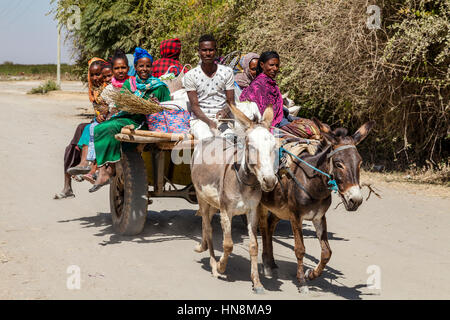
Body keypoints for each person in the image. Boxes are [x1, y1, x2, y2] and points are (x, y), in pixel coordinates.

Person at [89, 48, 171, 192]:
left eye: (147, 66)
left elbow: (167, 108)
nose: (144, 69)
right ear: (136, 67)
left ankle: (107, 171)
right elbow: (120, 105)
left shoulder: (160, 87)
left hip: (147, 123)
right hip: (127, 118)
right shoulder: (129, 84)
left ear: (152, 67)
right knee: (99, 128)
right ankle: (104, 169)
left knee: (110, 127)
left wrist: (156, 105)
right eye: (141, 66)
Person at [54, 58, 106, 199]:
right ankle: (70, 182)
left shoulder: (111, 87)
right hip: (98, 121)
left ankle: (80, 171)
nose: (95, 78)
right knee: (73, 144)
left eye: (98, 74)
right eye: (92, 74)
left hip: (107, 122)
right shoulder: (94, 89)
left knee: (83, 132)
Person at [184, 34, 235, 140]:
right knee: (208, 140)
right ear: (199, 52)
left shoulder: (227, 72)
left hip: (224, 120)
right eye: (204, 50)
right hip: (200, 120)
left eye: (211, 50)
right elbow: (195, 106)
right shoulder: (191, 75)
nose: (207, 53)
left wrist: (225, 111)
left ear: (215, 51)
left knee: (231, 139)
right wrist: (209, 122)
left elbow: (231, 102)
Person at [239, 51, 284, 129]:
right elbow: (261, 111)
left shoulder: (270, 83)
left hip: (279, 119)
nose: (275, 68)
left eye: (277, 65)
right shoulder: (257, 85)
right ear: (262, 65)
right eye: (271, 65)